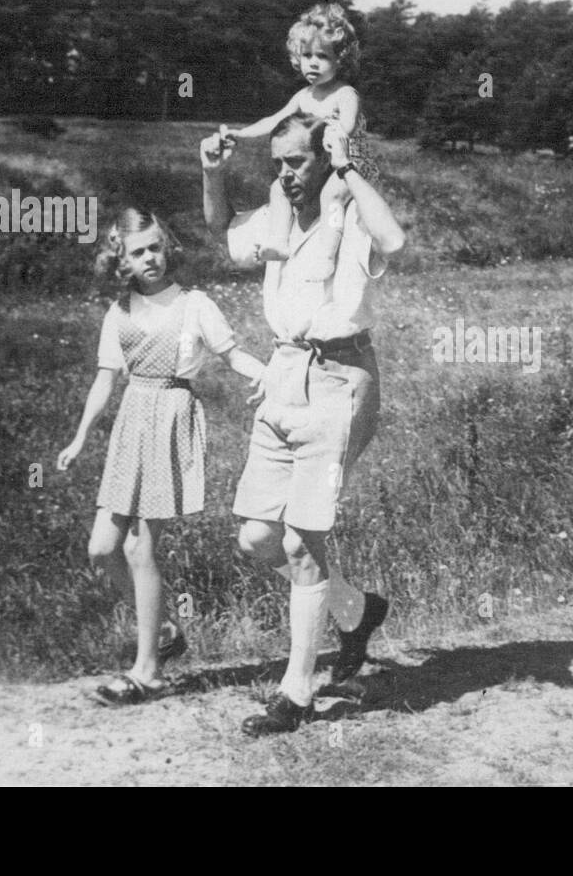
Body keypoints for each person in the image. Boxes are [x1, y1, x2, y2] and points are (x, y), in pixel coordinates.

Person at [200, 112, 405, 735]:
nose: (286, 174)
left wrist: (347, 166)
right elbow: (220, 229)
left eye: (298, 162)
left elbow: (394, 240)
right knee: (257, 538)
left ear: (327, 158)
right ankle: (356, 609)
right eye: (278, 163)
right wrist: (211, 172)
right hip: (284, 378)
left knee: (300, 544)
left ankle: (298, 692)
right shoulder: (279, 214)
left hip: (340, 382)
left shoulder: (350, 218)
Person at [57, 208, 265, 704]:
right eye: (137, 252)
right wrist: (80, 437)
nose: (149, 258)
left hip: (172, 418)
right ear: (121, 260)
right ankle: (167, 628)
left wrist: (271, 375)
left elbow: (232, 355)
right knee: (103, 549)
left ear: (166, 247)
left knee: (140, 548)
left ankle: (147, 671)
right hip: (132, 422)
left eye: (155, 247)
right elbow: (105, 379)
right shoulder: (119, 311)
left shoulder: (195, 304)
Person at [222, 3, 379, 267]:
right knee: (278, 187)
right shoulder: (302, 96)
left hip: (347, 165)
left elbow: (348, 125)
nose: (313, 63)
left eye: (323, 56)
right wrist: (241, 134)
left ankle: (326, 256)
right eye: (307, 55)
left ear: (340, 60)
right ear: (298, 58)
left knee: (331, 195)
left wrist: (332, 132)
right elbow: (274, 120)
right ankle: (279, 242)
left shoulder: (345, 93)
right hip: (316, 166)